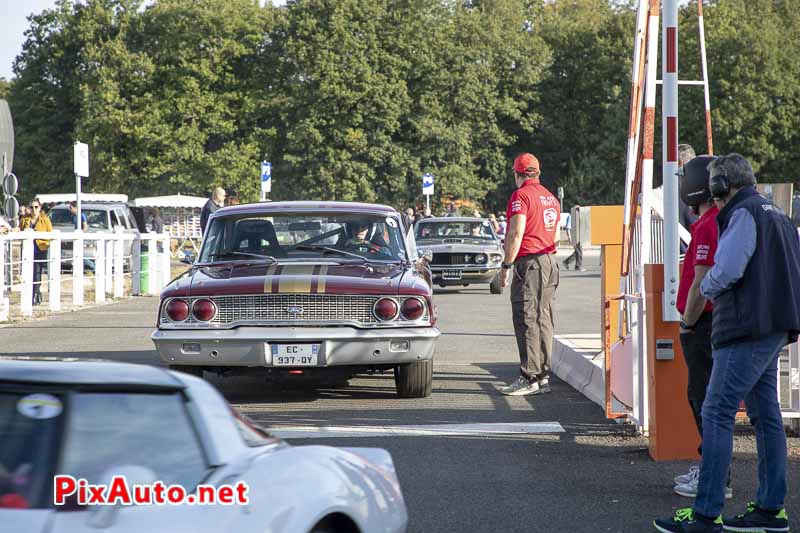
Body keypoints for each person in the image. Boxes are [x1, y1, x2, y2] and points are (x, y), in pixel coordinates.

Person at [654, 153, 800, 533]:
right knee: (766, 417)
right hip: (773, 326)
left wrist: (707, 291)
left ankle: (707, 513)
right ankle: (770, 509)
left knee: (716, 413)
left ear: (721, 185)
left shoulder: (742, 214)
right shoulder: (777, 214)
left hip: (745, 328)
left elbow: (728, 269)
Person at [671, 156, 730, 500]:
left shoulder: (708, 225)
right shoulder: (709, 221)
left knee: (703, 398)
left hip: (703, 325)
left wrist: (687, 323)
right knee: (702, 397)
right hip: (708, 324)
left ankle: (714, 476)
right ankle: (711, 469)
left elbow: (700, 283)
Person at [499, 153, 560, 396]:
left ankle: (528, 377)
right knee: (544, 318)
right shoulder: (550, 197)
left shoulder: (521, 196)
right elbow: (555, 236)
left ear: (517, 174)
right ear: (538, 172)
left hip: (530, 262)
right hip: (549, 260)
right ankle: (543, 374)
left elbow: (516, 232)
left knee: (526, 318)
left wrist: (505, 266)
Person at [20, 199, 52, 305]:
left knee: (36, 273)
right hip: (28, 251)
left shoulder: (45, 220)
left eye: (36, 207)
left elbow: (50, 233)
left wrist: (39, 235)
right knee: (28, 273)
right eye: (32, 207)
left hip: (40, 249)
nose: (34, 210)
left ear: (40, 208)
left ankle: (34, 295)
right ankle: (36, 295)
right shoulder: (25, 219)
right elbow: (19, 230)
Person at [562, 205, 584, 271]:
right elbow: (568, 228)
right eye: (577, 209)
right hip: (574, 236)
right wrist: (569, 237)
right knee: (579, 252)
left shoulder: (577, 217)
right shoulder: (571, 217)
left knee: (577, 252)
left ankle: (566, 262)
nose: (579, 211)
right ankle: (578, 267)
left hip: (578, 236)